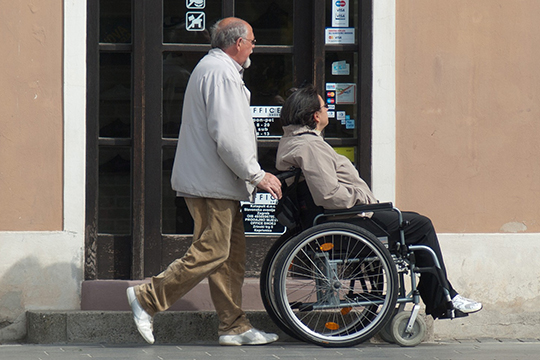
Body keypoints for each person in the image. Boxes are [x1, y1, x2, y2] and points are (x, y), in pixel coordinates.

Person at [126, 17, 283, 346]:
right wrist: (256, 174)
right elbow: (228, 136)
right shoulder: (220, 73)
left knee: (230, 256)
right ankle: (147, 298)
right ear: (238, 43)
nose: (255, 47)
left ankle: (233, 326)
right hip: (212, 183)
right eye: (252, 41)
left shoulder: (217, 70)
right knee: (212, 251)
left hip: (217, 182)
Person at [275, 85, 482, 320]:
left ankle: (442, 294)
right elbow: (329, 195)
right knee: (421, 226)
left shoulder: (294, 142)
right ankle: (443, 296)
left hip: (340, 219)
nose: (327, 110)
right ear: (315, 116)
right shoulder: (310, 147)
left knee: (412, 222)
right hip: (346, 219)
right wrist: (362, 199)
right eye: (325, 106)